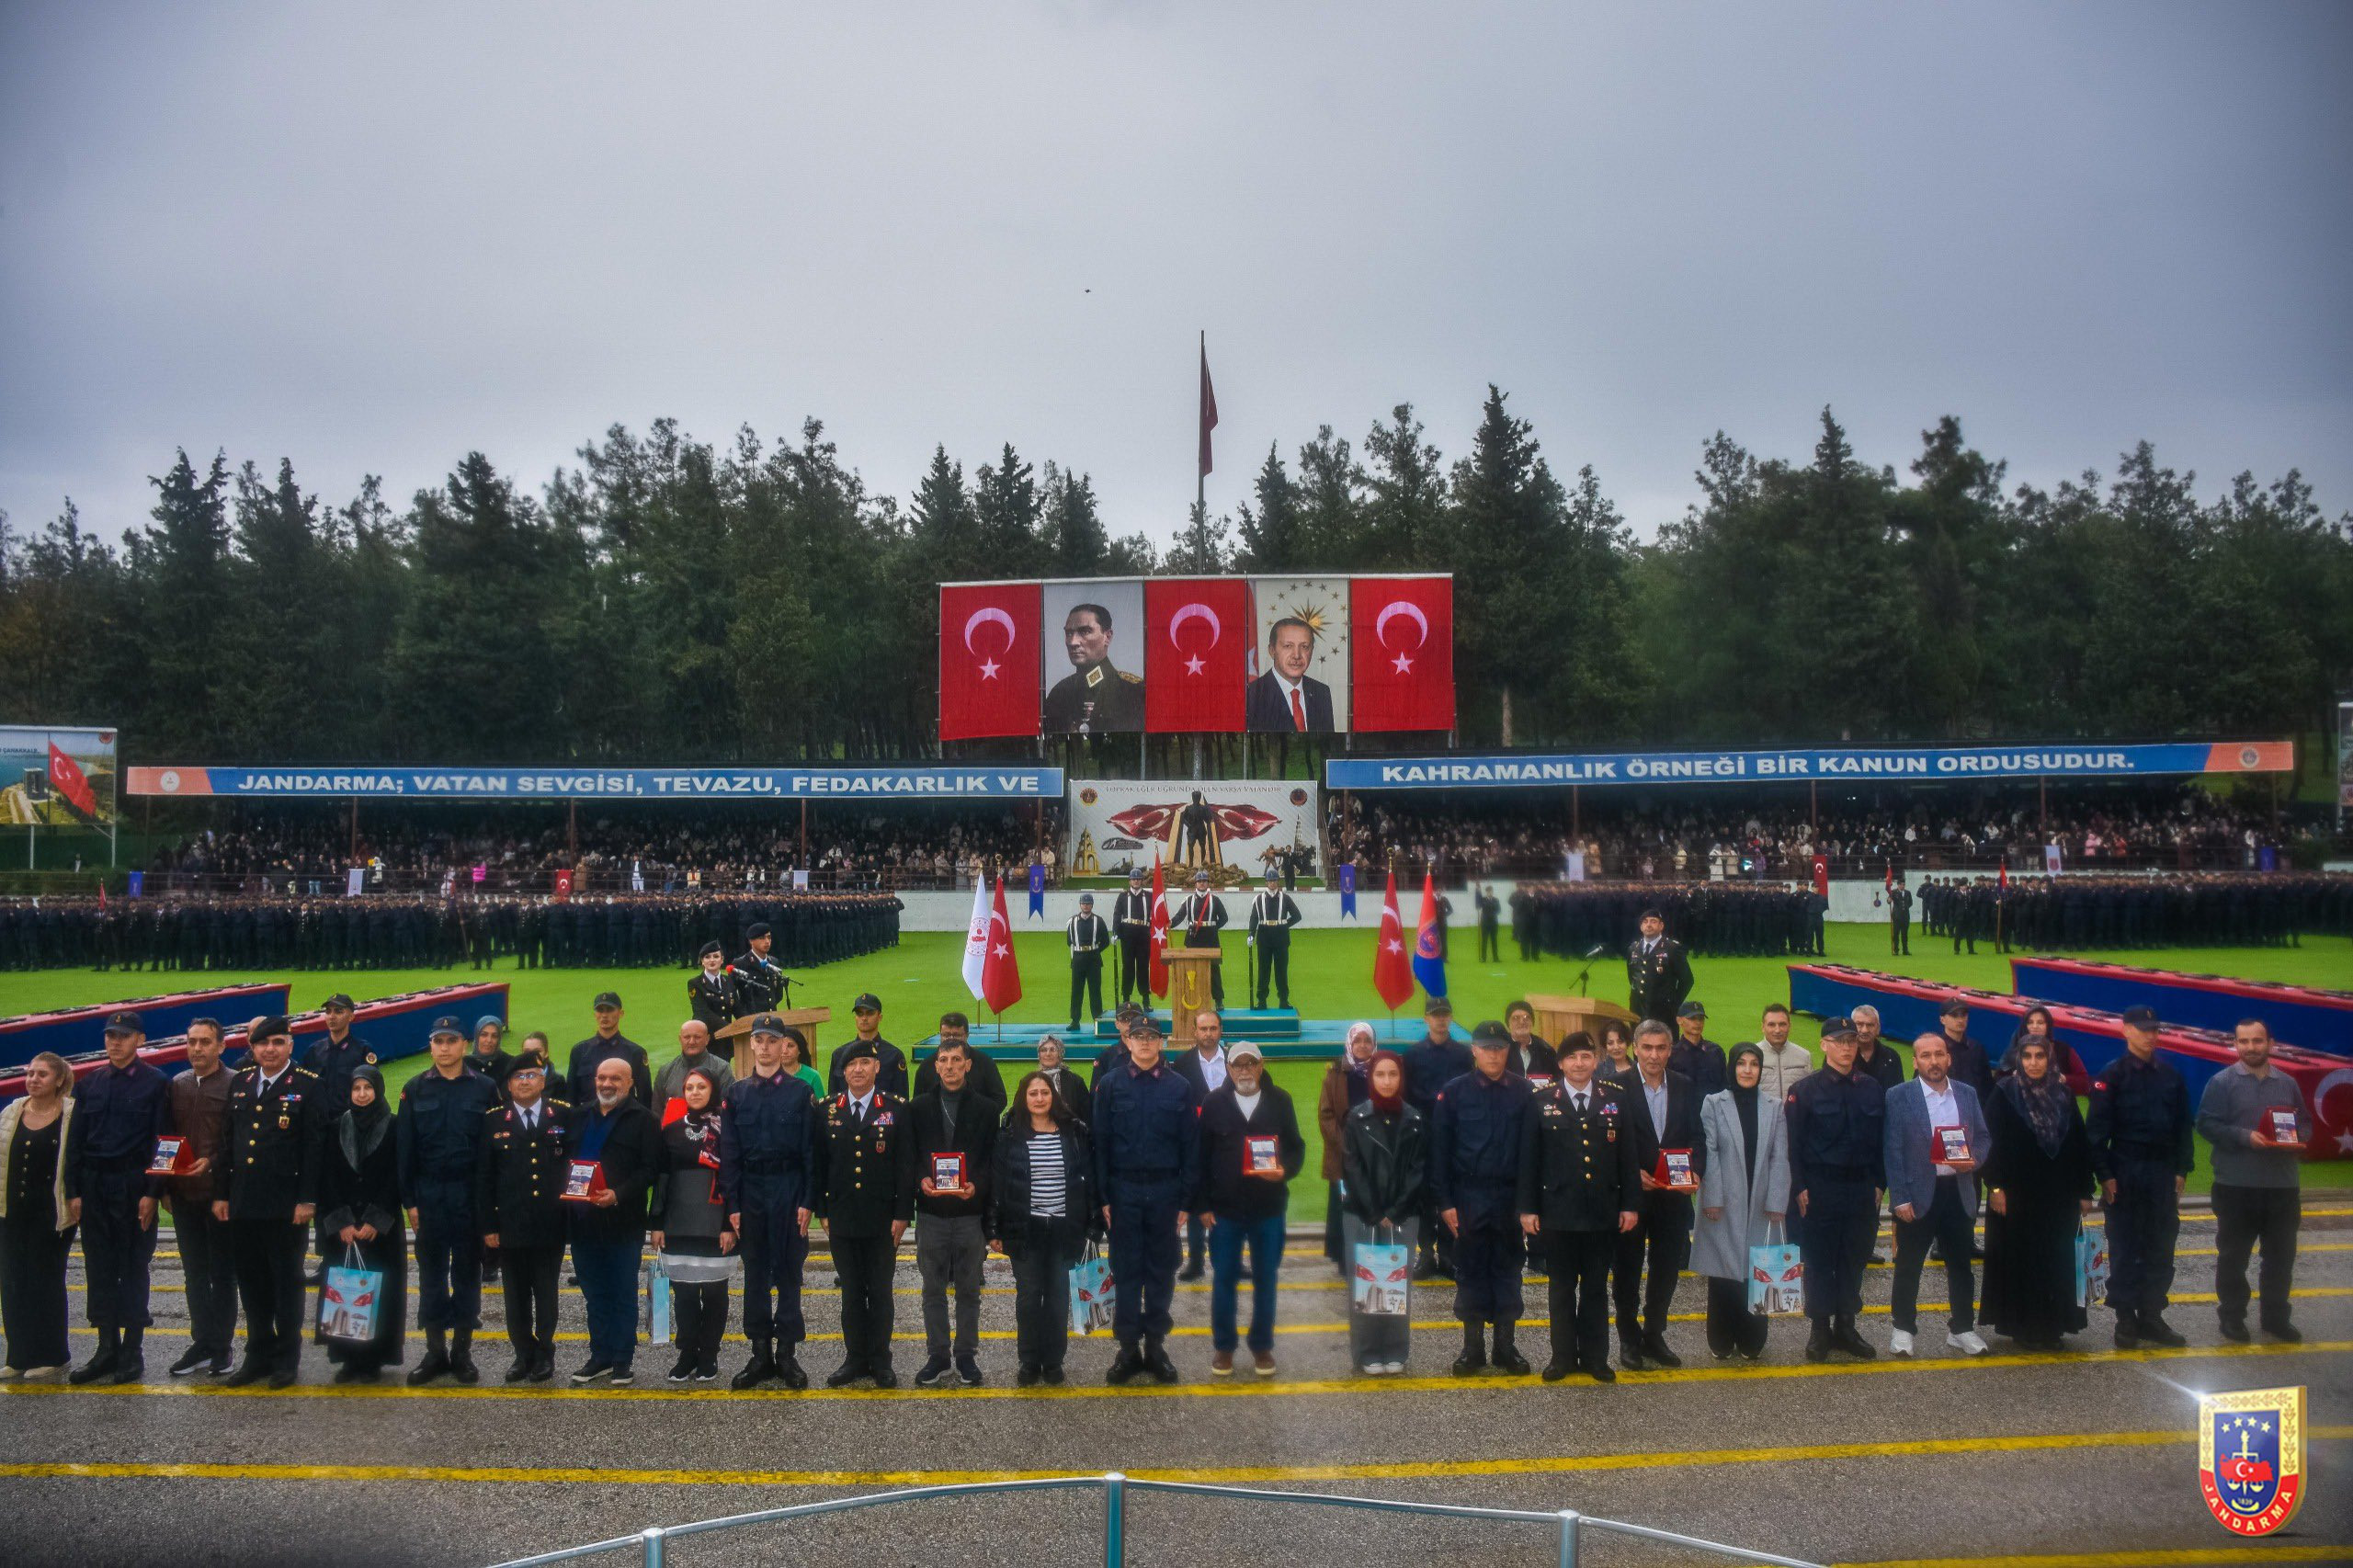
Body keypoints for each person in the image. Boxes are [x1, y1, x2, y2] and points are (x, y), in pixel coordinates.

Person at [1518, 1033, 1639, 1381]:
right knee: (1560, 1289)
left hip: (1602, 1212)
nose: (1579, 1063)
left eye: (1586, 1056)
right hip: (1558, 1212)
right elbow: (1529, 1159)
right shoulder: (1541, 1100)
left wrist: (1630, 1205)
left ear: (1595, 1060)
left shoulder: (1615, 1098)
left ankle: (1596, 1358)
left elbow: (1628, 1157)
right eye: (1572, 1058)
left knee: (1596, 1289)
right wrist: (1528, 1209)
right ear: (1560, 1063)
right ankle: (1562, 1358)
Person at [212, 1015, 324, 1389]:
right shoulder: (241, 1082)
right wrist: (221, 1194)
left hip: (285, 1206)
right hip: (244, 1202)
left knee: (286, 1285)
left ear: (290, 1045)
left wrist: (307, 1199)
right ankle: (257, 1356)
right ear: (253, 1048)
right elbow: (228, 1144)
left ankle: (286, 1361)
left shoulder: (308, 1085)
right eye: (263, 1044)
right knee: (252, 1283)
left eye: (278, 1042)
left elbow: (314, 1148)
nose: (270, 1050)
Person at [64, 1009, 170, 1385]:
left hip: (133, 1185)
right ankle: (105, 1347)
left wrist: (152, 1193)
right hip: (94, 1185)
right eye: (110, 1035)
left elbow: (164, 1143)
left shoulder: (156, 1083)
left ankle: (132, 1350)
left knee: (133, 1266)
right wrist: (73, 1192)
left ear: (140, 1040)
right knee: (100, 1268)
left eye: (123, 1036)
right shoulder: (89, 1083)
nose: (115, 1042)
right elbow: (75, 1143)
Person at [1092, 1017, 1200, 1384]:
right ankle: (1127, 1350)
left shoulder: (1180, 1086)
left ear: (1161, 1043)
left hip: (1165, 1191)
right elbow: (1100, 1144)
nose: (1144, 1043)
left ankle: (1155, 1346)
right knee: (1125, 1271)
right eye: (1137, 1037)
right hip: (1123, 1191)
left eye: (1151, 1037)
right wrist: (1103, 1196)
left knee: (1161, 1271)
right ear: (1128, 1041)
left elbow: (1190, 1145)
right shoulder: (1110, 1084)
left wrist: (1186, 1200)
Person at [397, 1015, 499, 1385]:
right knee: (432, 1277)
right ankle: (435, 1352)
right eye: (438, 1041)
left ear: (464, 1045)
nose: (444, 1048)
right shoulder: (415, 1088)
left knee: (468, 1275)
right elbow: (405, 1151)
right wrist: (410, 1202)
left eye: (451, 1041)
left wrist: (490, 1205)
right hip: (429, 1197)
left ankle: (462, 1353)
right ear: (431, 1046)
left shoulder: (485, 1088)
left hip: (470, 1196)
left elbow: (494, 1150)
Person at [720, 1015, 820, 1390]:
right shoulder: (736, 1094)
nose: (764, 1047)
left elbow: (810, 1152)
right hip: (751, 1190)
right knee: (756, 1273)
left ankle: (787, 1354)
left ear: (783, 1046)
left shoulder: (800, 1092)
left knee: (790, 1270)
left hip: (788, 1187)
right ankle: (760, 1353)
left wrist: (808, 1199)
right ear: (751, 1044)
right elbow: (729, 1154)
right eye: (759, 1040)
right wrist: (732, 1204)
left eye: (772, 1040)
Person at [1194, 1040, 1305, 1376]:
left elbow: (1296, 1147)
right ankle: (1224, 1347)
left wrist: (1284, 1170)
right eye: (1238, 1065)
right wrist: (1203, 1205)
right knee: (1224, 1279)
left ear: (1261, 1065)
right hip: (1224, 1210)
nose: (1244, 1071)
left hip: (1268, 1208)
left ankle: (1262, 1346)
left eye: (1250, 1064)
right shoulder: (1213, 1103)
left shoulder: (1280, 1100)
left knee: (1266, 1278)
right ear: (1229, 1069)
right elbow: (1200, 1156)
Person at [810, 1039, 915, 1388]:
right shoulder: (827, 1109)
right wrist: (822, 1209)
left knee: (881, 1292)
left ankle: (881, 1360)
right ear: (843, 1071)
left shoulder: (896, 1108)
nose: (857, 1070)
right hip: (842, 1215)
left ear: (876, 1068)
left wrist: (903, 1213)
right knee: (852, 1292)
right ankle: (855, 1358)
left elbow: (905, 1165)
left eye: (864, 1063)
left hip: (883, 1218)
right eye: (851, 1065)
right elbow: (819, 1164)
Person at [2086, 1005, 2192, 1349]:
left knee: (2161, 1246)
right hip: (2126, 1169)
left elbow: (2183, 1127)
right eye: (2143, 1029)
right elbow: (2096, 1133)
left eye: (2154, 1030)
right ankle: (2126, 1318)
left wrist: (2182, 1169)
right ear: (2126, 1030)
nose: (2150, 1035)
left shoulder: (2170, 1076)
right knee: (2125, 1246)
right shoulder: (2112, 1076)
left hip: (2161, 1171)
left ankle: (2152, 1316)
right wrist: (2105, 1176)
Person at [2197, 1018, 2309, 1343]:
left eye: (2257, 1041)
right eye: (2243, 1041)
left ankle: (2275, 1319)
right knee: (2233, 1258)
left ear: (2270, 1043)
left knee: (2280, 1259)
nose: (2250, 1047)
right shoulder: (2222, 1082)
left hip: (2282, 1187)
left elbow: (2304, 1122)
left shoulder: (2287, 1083)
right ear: (2235, 1044)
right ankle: (2232, 1318)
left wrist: (2298, 1139)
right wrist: (2245, 1137)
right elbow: (2206, 1124)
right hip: (2236, 1186)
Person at [1431, 1020, 1533, 1376]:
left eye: (1499, 1048)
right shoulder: (1454, 1093)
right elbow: (1440, 1152)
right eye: (1486, 1048)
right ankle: (1472, 1349)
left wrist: (1527, 1205)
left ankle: (1505, 1347)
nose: (1493, 1054)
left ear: (1508, 1050)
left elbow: (1531, 1153)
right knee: (1470, 1272)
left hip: (1509, 1197)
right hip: (1468, 1196)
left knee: (1509, 1272)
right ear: (1474, 1050)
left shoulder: (1523, 1092)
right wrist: (1445, 1203)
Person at [1981, 1037, 2096, 1349]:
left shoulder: (2063, 1094)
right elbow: (1990, 1143)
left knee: (2056, 1259)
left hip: (2058, 1195)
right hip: (2016, 1195)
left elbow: (2079, 1144)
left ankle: (2053, 1325)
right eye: (2027, 1056)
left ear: (2049, 1060)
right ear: (2019, 1059)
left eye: (2040, 1056)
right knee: (2022, 1259)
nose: (2033, 1063)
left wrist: (2085, 1189)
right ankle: (2023, 1326)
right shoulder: (2005, 1093)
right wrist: (1995, 1187)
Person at [1882, 1033, 1992, 1359]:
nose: (1934, 1061)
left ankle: (1962, 1329)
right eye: (1926, 1055)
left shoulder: (1967, 1094)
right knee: (1909, 1264)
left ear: (1948, 1058)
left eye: (1939, 1054)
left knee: (1961, 1265)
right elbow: (1892, 1149)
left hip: (1958, 1191)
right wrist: (1899, 1198)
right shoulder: (1899, 1095)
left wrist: (1974, 1160)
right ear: (1916, 1062)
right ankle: (1903, 1329)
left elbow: (1983, 1137)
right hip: (1917, 1194)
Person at [1784, 1017, 1885, 1362]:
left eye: (1851, 1041)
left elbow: (1881, 1140)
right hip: (1820, 1187)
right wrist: (1799, 1186)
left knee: (1853, 1259)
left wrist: (1879, 1182)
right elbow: (1793, 1144)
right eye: (1839, 1041)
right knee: (1818, 1260)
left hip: (1860, 1188)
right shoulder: (1804, 1091)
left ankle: (1846, 1325)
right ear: (1824, 1045)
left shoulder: (1871, 1088)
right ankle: (1820, 1328)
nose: (1846, 1048)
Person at [989, 1070, 1097, 1385]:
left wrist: (1093, 1225)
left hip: (1065, 1228)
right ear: (1023, 1098)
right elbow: (998, 1184)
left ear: (1054, 1096)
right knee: (1028, 1297)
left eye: (1045, 1092)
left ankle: (1053, 1361)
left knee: (1058, 1297)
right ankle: (1028, 1360)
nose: (1039, 1099)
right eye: (1033, 1093)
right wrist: (993, 1228)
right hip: (1026, 1229)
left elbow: (1089, 1180)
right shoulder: (1009, 1135)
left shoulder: (1074, 1132)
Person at [1615, 1019, 1705, 1370]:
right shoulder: (1616, 1086)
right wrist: (1631, 1174)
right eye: (1647, 1048)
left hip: (1672, 1197)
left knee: (1666, 1268)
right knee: (1627, 1268)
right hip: (1631, 1197)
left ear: (1670, 1050)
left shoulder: (1684, 1085)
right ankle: (1628, 1338)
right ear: (1635, 1048)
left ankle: (1654, 1334)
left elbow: (1697, 1135)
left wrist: (1695, 1170)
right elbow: (1609, 1140)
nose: (1654, 1055)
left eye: (1661, 1048)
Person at [1691, 1043, 1790, 1363]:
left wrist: (1777, 1200)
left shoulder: (1774, 1106)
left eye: (1754, 1064)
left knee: (1759, 1269)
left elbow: (1779, 1156)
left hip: (1761, 1200)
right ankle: (1721, 1338)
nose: (1748, 1070)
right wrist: (1713, 1198)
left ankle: (1752, 1338)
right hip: (1723, 1200)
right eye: (1742, 1063)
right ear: (1732, 1067)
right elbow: (1710, 1151)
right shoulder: (1713, 1103)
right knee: (1723, 1274)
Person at [476, 1048, 570, 1382]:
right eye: (518, 1077)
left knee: (546, 1292)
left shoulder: (563, 1115)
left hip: (550, 1222)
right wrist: (488, 1225)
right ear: (508, 1084)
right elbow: (484, 1178)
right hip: (510, 1223)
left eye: (532, 1075)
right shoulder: (492, 1120)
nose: (525, 1081)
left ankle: (545, 1352)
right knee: (514, 1296)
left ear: (543, 1080)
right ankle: (522, 1353)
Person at [565, 1055, 660, 1384]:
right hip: (583, 1222)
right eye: (602, 1077)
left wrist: (618, 1194)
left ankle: (622, 1358)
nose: (607, 1084)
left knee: (622, 1292)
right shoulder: (578, 1116)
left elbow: (650, 1170)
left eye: (615, 1079)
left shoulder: (644, 1120)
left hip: (623, 1221)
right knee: (594, 1294)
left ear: (630, 1082)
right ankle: (600, 1356)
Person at [909, 1036, 997, 1387]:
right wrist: (921, 1179)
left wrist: (977, 1184)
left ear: (968, 1065)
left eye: (956, 1060)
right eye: (943, 1060)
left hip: (969, 1213)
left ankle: (965, 1356)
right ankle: (938, 1355)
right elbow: (910, 1156)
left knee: (968, 1290)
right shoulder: (917, 1108)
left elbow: (992, 1161)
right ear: (936, 1066)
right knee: (932, 1289)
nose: (949, 1066)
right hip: (931, 1213)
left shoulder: (987, 1110)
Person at [315, 1064, 405, 1381]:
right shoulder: (336, 1126)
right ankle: (348, 1359)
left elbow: (397, 1176)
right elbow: (326, 1176)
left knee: (380, 1294)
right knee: (344, 1293)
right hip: (345, 1231)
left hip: (379, 1231)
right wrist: (342, 1222)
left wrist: (375, 1219)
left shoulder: (394, 1126)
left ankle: (372, 1361)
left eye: (368, 1088)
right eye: (357, 1089)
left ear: (378, 1090)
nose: (362, 1094)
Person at [1341, 1051, 1426, 1375]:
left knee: (1395, 1282)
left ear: (1401, 1078)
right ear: (1371, 1078)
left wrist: (1396, 1210)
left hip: (1403, 1215)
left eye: (1393, 1074)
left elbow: (1418, 1170)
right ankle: (1367, 1351)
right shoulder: (1356, 1118)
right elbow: (1352, 1168)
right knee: (1365, 1282)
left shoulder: (1414, 1120)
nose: (1387, 1081)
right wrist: (1376, 1212)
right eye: (1380, 1075)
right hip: (1363, 1214)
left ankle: (1395, 1349)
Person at [651, 1064, 734, 1383]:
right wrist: (657, 1223)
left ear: (713, 1091)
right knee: (684, 1295)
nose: (695, 1092)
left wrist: (729, 1225)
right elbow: (662, 1179)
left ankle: (709, 1354)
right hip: (678, 1223)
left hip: (716, 1222)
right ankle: (687, 1353)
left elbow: (732, 1178)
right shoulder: (670, 1130)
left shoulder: (727, 1128)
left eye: (701, 1087)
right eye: (689, 1087)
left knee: (714, 1293)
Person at [165, 1017, 238, 1376]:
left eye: (205, 1042)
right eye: (192, 1041)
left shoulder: (235, 1083)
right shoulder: (177, 1084)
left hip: (219, 1196)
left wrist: (212, 1162)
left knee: (222, 1274)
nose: (197, 1048)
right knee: (193, 1274)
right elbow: (166, 1139)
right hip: (183, 1196)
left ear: (221, 1046)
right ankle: (202, 1341)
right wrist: (165, 1187)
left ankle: (222, 1345)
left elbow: (238, 1140)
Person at [0, 1051, 76, 1381]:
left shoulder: (71, 1114)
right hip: (11, 1212)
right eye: (30, 1073)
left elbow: (77, 1161)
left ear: (59, 1080)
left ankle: (53, 1355)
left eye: (42, 1074)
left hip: (51, 1213)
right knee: (13, 1282)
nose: (33, 1079)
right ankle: (18, 1356)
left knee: (45, 1282)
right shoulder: (12, 1111)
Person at [1403, 997, 1471, 1279]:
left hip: (1454, 1133)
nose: (1440, 1019)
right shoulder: (1413, 1054)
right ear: (1426, 1019)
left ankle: (1448, 1254)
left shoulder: (1463, 1054)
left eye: (1444, 1015)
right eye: (1435, 1015)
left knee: (1449, 1192)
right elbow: (1406, 1095)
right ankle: (1426, 1253)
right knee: (1423, 1196)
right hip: (1423, 1132)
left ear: (1451, 1018)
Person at [1171, 1009, 1230, 1280]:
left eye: (1213, 1028)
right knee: (1196, 1202)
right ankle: (1195, 1261)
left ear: (1221, 1030)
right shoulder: (1181, 1064)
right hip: (1194, 1143)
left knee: (1228, 1204)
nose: (1208, 1034)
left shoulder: (1235, 1060)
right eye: (1203, 1029)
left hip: (1228, 1144)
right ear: (1194, 1031)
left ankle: (1228, 1260)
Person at [1318, 1021, 1379, 1274]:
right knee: (1344, 1207)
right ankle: (1345, 1258)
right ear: (1349, 1044)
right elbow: (1326, 1115)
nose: (1362, 1046)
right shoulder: (1335, 1074)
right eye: (1357, 1041)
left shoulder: (1383, 1071)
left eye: (1367, 1041)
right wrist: (1348, 1145)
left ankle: (1372, 1258)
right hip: (1343, 1155)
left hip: (1375, 1154)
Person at [1044, 600, 1144, 733]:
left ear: (1107, 637)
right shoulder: (1059, 693)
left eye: (1085, 632)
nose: (1073, 642)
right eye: (1069, 633)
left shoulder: (1132, 690)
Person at [1244, 614, 1334, 732]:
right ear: (1272, 650)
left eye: (1304, 647)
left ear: (1312, 650)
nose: (1296, 655)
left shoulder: (1321, 692)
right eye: (1288, 646)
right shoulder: (1252, 695)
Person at [569, 992, 652, 1108]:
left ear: (621, 1013)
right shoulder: (579, 1051)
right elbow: (571, 1096)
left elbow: (645, 1097)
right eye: (600, 1010)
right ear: (595, 1014)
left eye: (609, 1010)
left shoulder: (636, 1053)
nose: (604, 1015)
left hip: (624, 1117)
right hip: (588, 1117)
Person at [913, 1012, 1006, 1107]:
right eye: (946, 1035)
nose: (951, 1039)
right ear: (940, 1035)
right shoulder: (926, 1065)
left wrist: (980, 1114)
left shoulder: (985, 1063)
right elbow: (918, 1103)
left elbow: (1000, 1098)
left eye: (957, 1035)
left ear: (967, 1035)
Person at [829, 994, 909, 1099]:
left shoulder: (894, 1056)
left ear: (880, 1017)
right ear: (855, 1018)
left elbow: (902, 1101)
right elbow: (833, 1099)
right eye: (860, 1014)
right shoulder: (839, 1055)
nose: (864, 1018)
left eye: (870, 1013)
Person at [2001, 1006, 2089, 1096]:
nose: (2035, 1027)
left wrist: (2062, 1078)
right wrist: (2014, 1078)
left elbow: (2085, 1083)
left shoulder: (2064, 1050)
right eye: (2030, 1022)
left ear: (2048, 1025)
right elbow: (2000, 1078)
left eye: (2040, 1022)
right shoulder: (2015, 1049)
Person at [1175, 869, 1231, 1006]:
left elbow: (1224, 918)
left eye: (1204, 881)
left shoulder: (1215, 900)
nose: (1202, 883)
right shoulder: (1188, 900)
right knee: (1192, 969)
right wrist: (1169, 923)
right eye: (1199, 881)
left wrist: (1214, 928)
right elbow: (1179, 916)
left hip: (1211, 938)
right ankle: (1194, 998)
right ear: (1195, 883)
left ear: (1208, 883)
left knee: (1214, 970)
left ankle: (1218, 1000)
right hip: (1193, 938)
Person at [1626, 910, 1693, 1023]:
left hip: (1664, 1012)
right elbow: (1632, 977)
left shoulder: (1672, 948)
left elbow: (1687, 980)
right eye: (1645, 922)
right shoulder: (1633, 949)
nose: (1649, 925)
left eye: (1653, 921)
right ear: (1641, 927)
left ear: (1661, 926)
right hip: (1637, 1010)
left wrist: (1674, 1004)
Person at [655, 1018, 735, 1110]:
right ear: (680, 1039)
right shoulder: (665, 1071)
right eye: (687, 1037)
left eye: (697, 1037)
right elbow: (657, 1111)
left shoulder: (722, 1068)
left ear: (707, 1039)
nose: (692, 1042)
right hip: (674, 1120)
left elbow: (728, 1107)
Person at [1247, 874, 1302, 1010]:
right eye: (1270, 881)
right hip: (1264, 936)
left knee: (1281, 970)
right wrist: (1251, 934)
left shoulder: (1285, 898)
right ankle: (1261, 1001)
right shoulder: (1258, 899)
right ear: (1266, 882)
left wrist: (1285, 925)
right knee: (1263, 970)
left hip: (1281, 938)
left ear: (1278, 882)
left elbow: (1297, 916)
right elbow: (1254, 918)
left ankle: (1283, 1000)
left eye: (1275, 880)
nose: (1272, 883)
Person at [1933, 999, 1995, 1101]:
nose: (1960, 1020)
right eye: (1954, 1015)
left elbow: (1987, 1085)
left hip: (1975, 1106)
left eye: (1963, 1015)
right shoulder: (1935, 1050)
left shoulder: (1976, 1048)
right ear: (1942, 1020)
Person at [1750, 1005, 1812, 1105]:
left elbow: (1810, 1092)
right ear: (1763, 1027)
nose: (1777, 1030)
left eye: (1782, 1024)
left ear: (1789, 1026)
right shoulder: (1751, 1055)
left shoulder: (1804, 1056)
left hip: (1794, 1114)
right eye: (1771, 1025)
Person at [1112, 869, 1154, 1007]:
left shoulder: (1149, 896)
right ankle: (1126, 999)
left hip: (1143, 934)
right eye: (1133, 879)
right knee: (1128, 966)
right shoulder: (1123, 896)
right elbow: (1117, 914)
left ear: (1142, 881)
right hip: (1128, 934)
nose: (1136, 881)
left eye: (1138, 879)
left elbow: (1155, 914)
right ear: (1129, 881)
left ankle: (1146, 999)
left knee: (1143, 966)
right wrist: (1115, 932)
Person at [1669, 1002, 1728, 1098]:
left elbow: (1725, 1086)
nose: (1698, 1023)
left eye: (1701, 1018)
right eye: (1692, 1018)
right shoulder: (1671, 1055)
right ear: (1679, 1020)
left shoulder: (1716, 1052)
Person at [731, 922, 788, 1021]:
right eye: (762, 938)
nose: (767, 941)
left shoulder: (774, 962)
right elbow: (732, 994)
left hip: (771, 1018)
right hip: (750, 1019)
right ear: (751, 941)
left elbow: (778, 995)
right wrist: (743, 1017)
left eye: (769, 937)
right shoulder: (741, 963)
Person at [1032, 1033, 1092, 1126]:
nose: (1048, 1054)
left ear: (1060, 1053)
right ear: (1039, 1054)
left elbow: (1087, 1116)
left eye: (1053, 1050)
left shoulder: (1075, 1082)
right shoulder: (1029, 1082)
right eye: (1043, 1050)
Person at [687, 940, 739, 1038]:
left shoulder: (729, 980)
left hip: (727, 1038)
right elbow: (703, 1012)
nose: (712, 960)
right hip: (707, 1037)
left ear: (722, 960)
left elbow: (737, 1008)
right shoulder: (695, 983)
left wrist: (750, 1024)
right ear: (702, 961)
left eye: (716, 956)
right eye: (707, 957)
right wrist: (729, 1028)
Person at [1849, 1006, 1905, 1091]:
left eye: (1870, 1025)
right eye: (1859, 1024)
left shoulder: (1891, 1057)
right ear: (1851, 1026)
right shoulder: (1841, 1054)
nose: (1865, 1030)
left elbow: (1898, 1093)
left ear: (1878, 1028)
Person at [466, 1015, 517, 1091]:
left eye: (494, 1036)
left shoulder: (510, 1063)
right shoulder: (465, 1064)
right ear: (477, 1036)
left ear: (499, 1039)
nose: (489, 1040)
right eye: (484, 1035)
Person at [1597, 1020, 1638, 1091]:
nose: (1616, 1047)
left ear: (1627, 1042)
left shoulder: (1639, 1068)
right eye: (1610, 1043)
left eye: (1620, 1042)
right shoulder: (1598, 1070)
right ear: (1605, 1045)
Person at [1475, 884, 1502, 963]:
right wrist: (1478, 891)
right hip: (1485, 923)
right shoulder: (1482, 900)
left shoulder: (1496, 900)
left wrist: (1492, 913)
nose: (1490, 893)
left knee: (1494, 941)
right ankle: (1483, 958)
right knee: (1484, 941)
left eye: (1491, 891)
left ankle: (1495, 958)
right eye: (1488, 891)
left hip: (1494, 923)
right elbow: (1478, 906)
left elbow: (1499, 910)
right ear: (1486, 892)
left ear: (1492, 892)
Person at [1889, 874, 1913, 955]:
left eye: (1904, 884)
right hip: (1896, 916)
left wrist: (1905, 907)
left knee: (1905, 934)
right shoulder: (1893, 892)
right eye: (1902, 884)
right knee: (1896, 934)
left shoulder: (1908, 893)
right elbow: (1889, 900)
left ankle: (1905, 950)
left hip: (1905, 916)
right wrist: (1889, 900)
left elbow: (1910, 903)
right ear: (1898, 885)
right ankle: (1896, 950)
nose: (1903, 886)